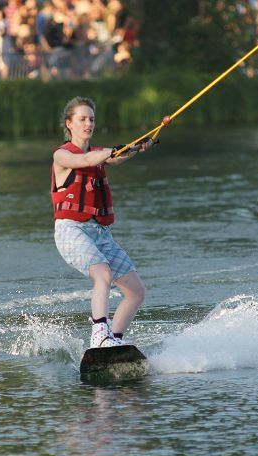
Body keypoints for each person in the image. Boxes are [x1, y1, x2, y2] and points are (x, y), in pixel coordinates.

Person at [51, 96, 153, 349]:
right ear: (69, 124)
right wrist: (112, 152)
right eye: (82, 119)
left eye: (92, 119)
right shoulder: (62, 155)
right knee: (102, 274)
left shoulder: (99, 154)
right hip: (70, 229)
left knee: (136, 291)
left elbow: (115, 158)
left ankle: (114, 340)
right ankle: (99, 333)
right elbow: (85, 161)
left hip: (99, 233)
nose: (88, 124)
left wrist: (137, 147)